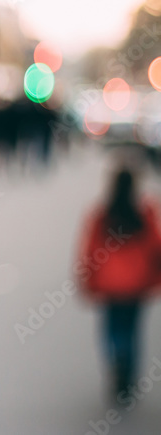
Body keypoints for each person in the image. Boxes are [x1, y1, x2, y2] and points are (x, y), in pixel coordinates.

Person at [76, 167, 161, 399]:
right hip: (137, 283)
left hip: (109, 284)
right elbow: (156, 247)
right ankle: (128, 370)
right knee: (133, 328)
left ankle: (117, 358)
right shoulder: (145, 212)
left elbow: (90, 250)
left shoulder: (102, 214)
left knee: (111, 327)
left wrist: (87, 279)